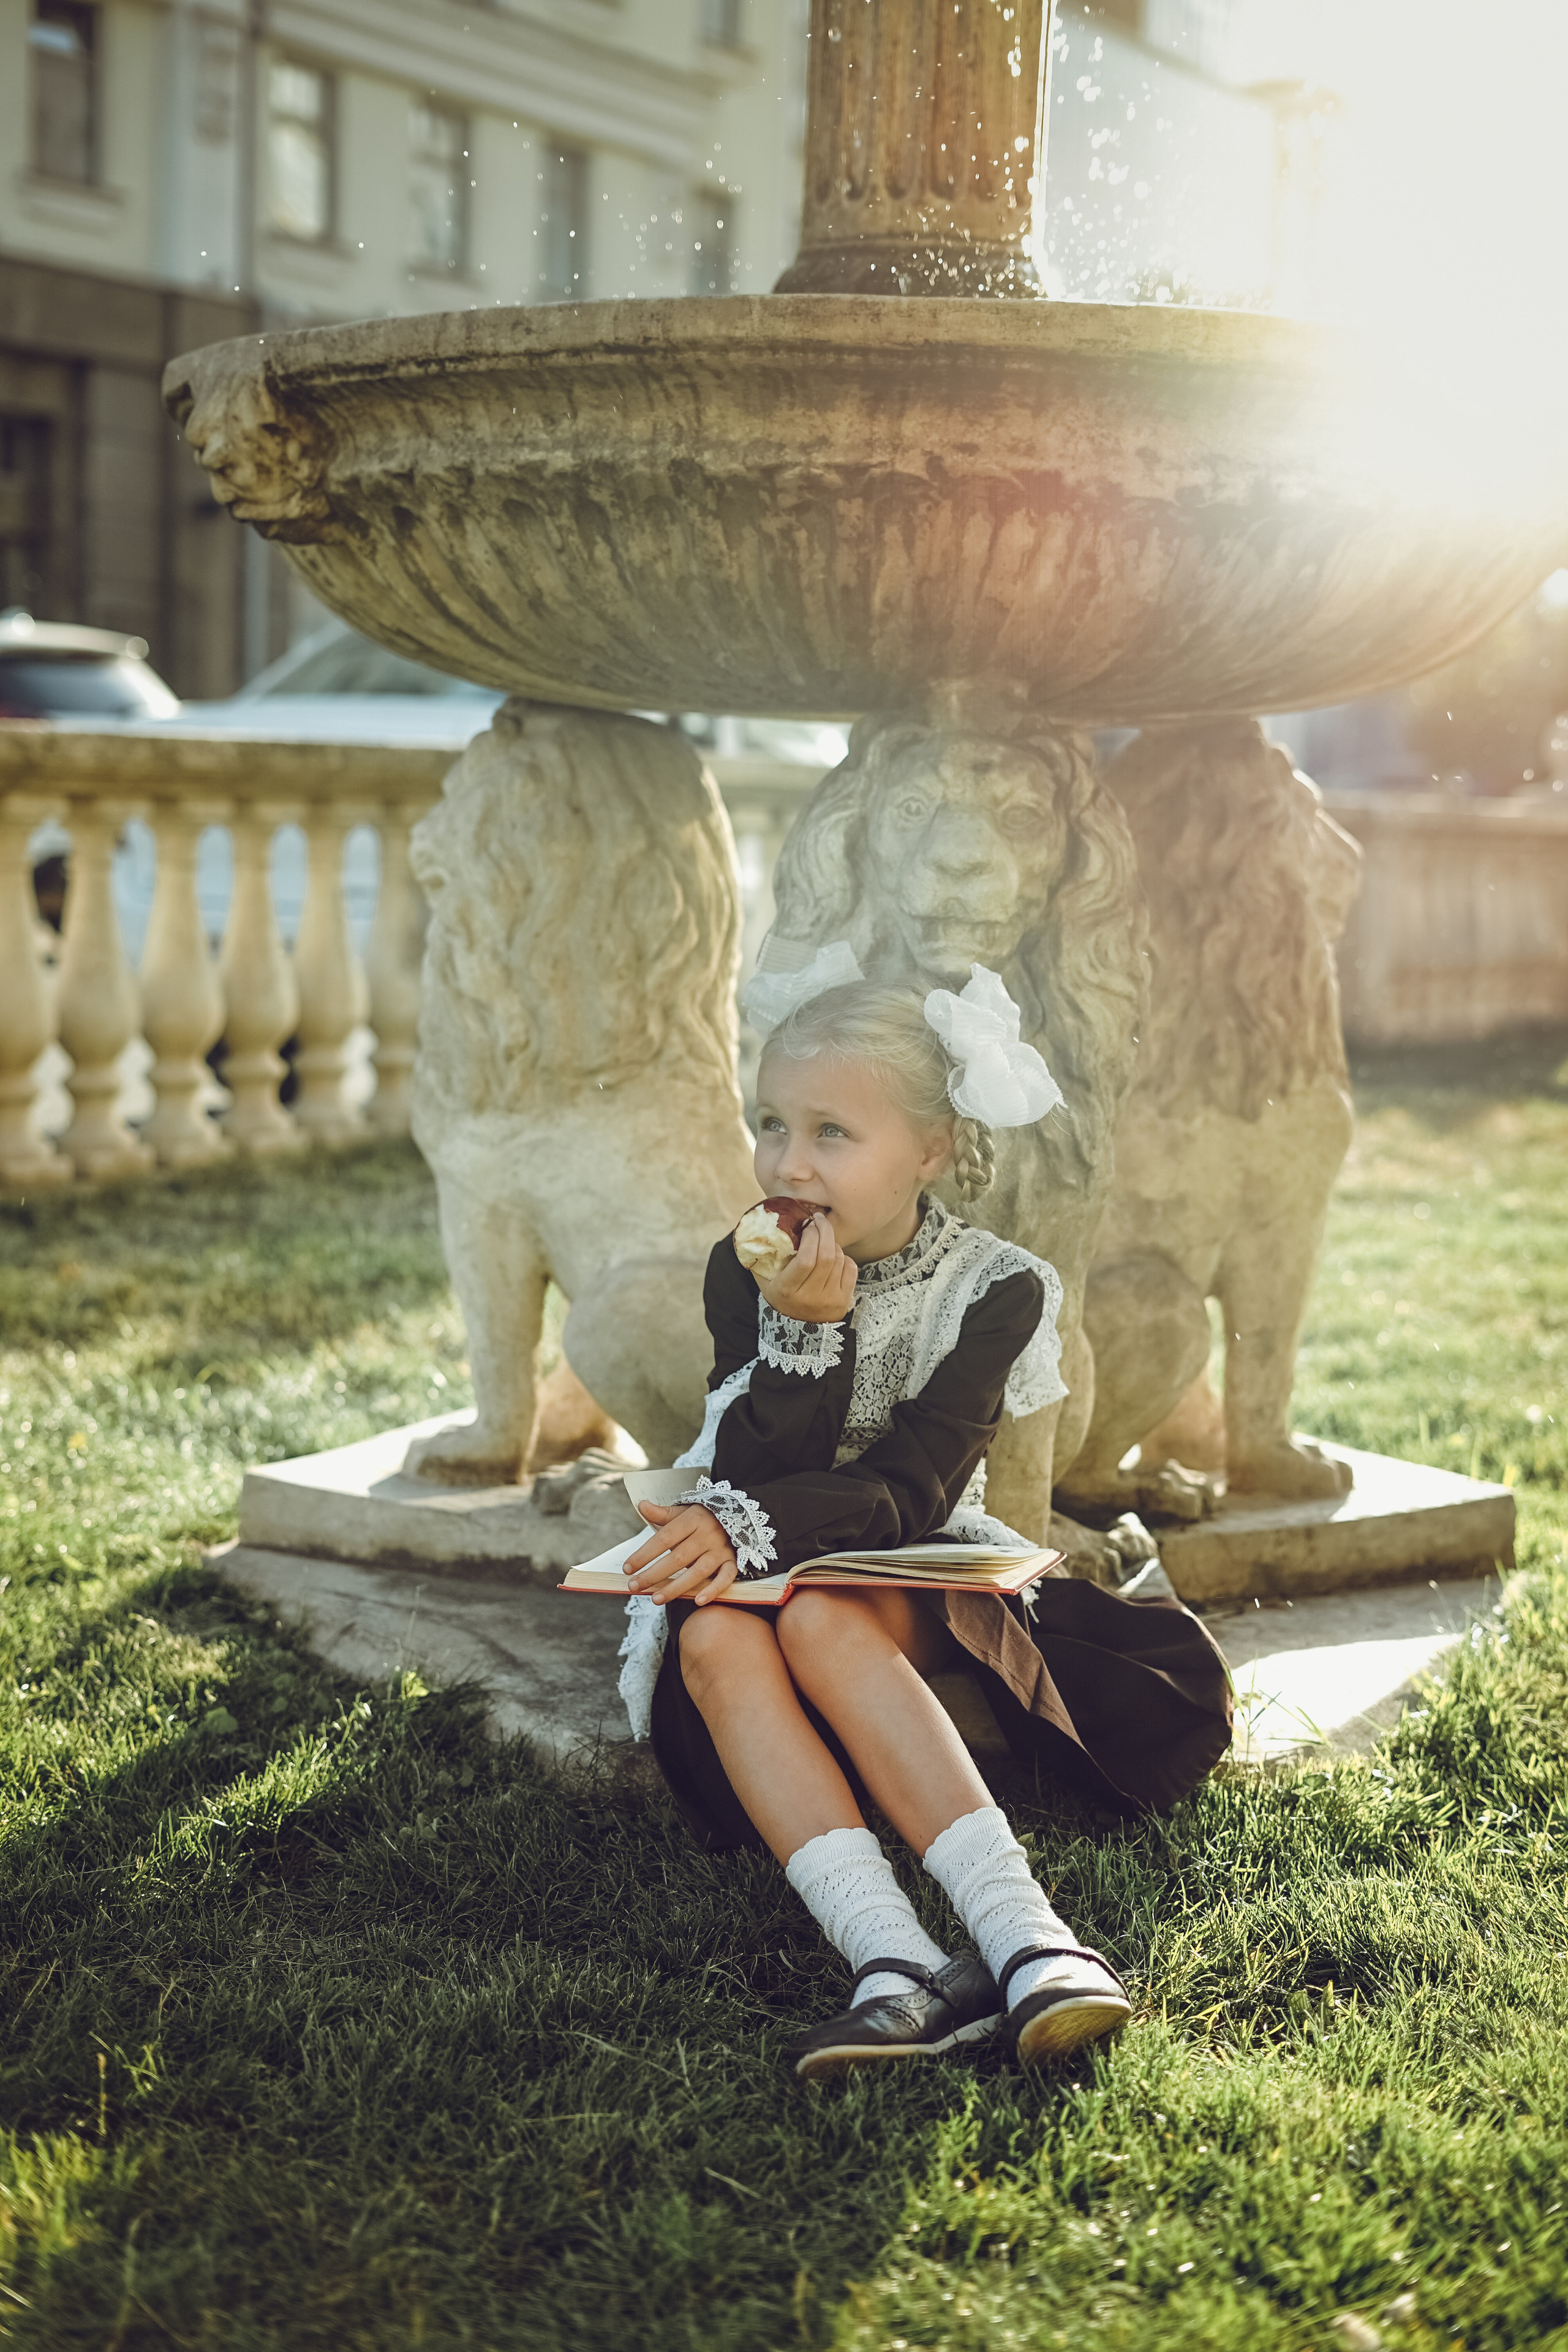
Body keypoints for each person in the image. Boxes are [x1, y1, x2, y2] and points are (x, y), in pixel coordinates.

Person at [614, 952, 1232, 2079]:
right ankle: (896, 1966)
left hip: (909, 1563)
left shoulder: (996, 1287)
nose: (788, 1163)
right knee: (711, 1631)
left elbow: (915, 1486)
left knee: (821, 1618)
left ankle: (1026, 1936)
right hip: (755, 1568)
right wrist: (799, 1334)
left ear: (932, 1152)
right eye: (771, 1124)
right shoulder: (741, 1268)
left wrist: (748, 1526)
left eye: (831, 1134)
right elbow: (756, 1454)